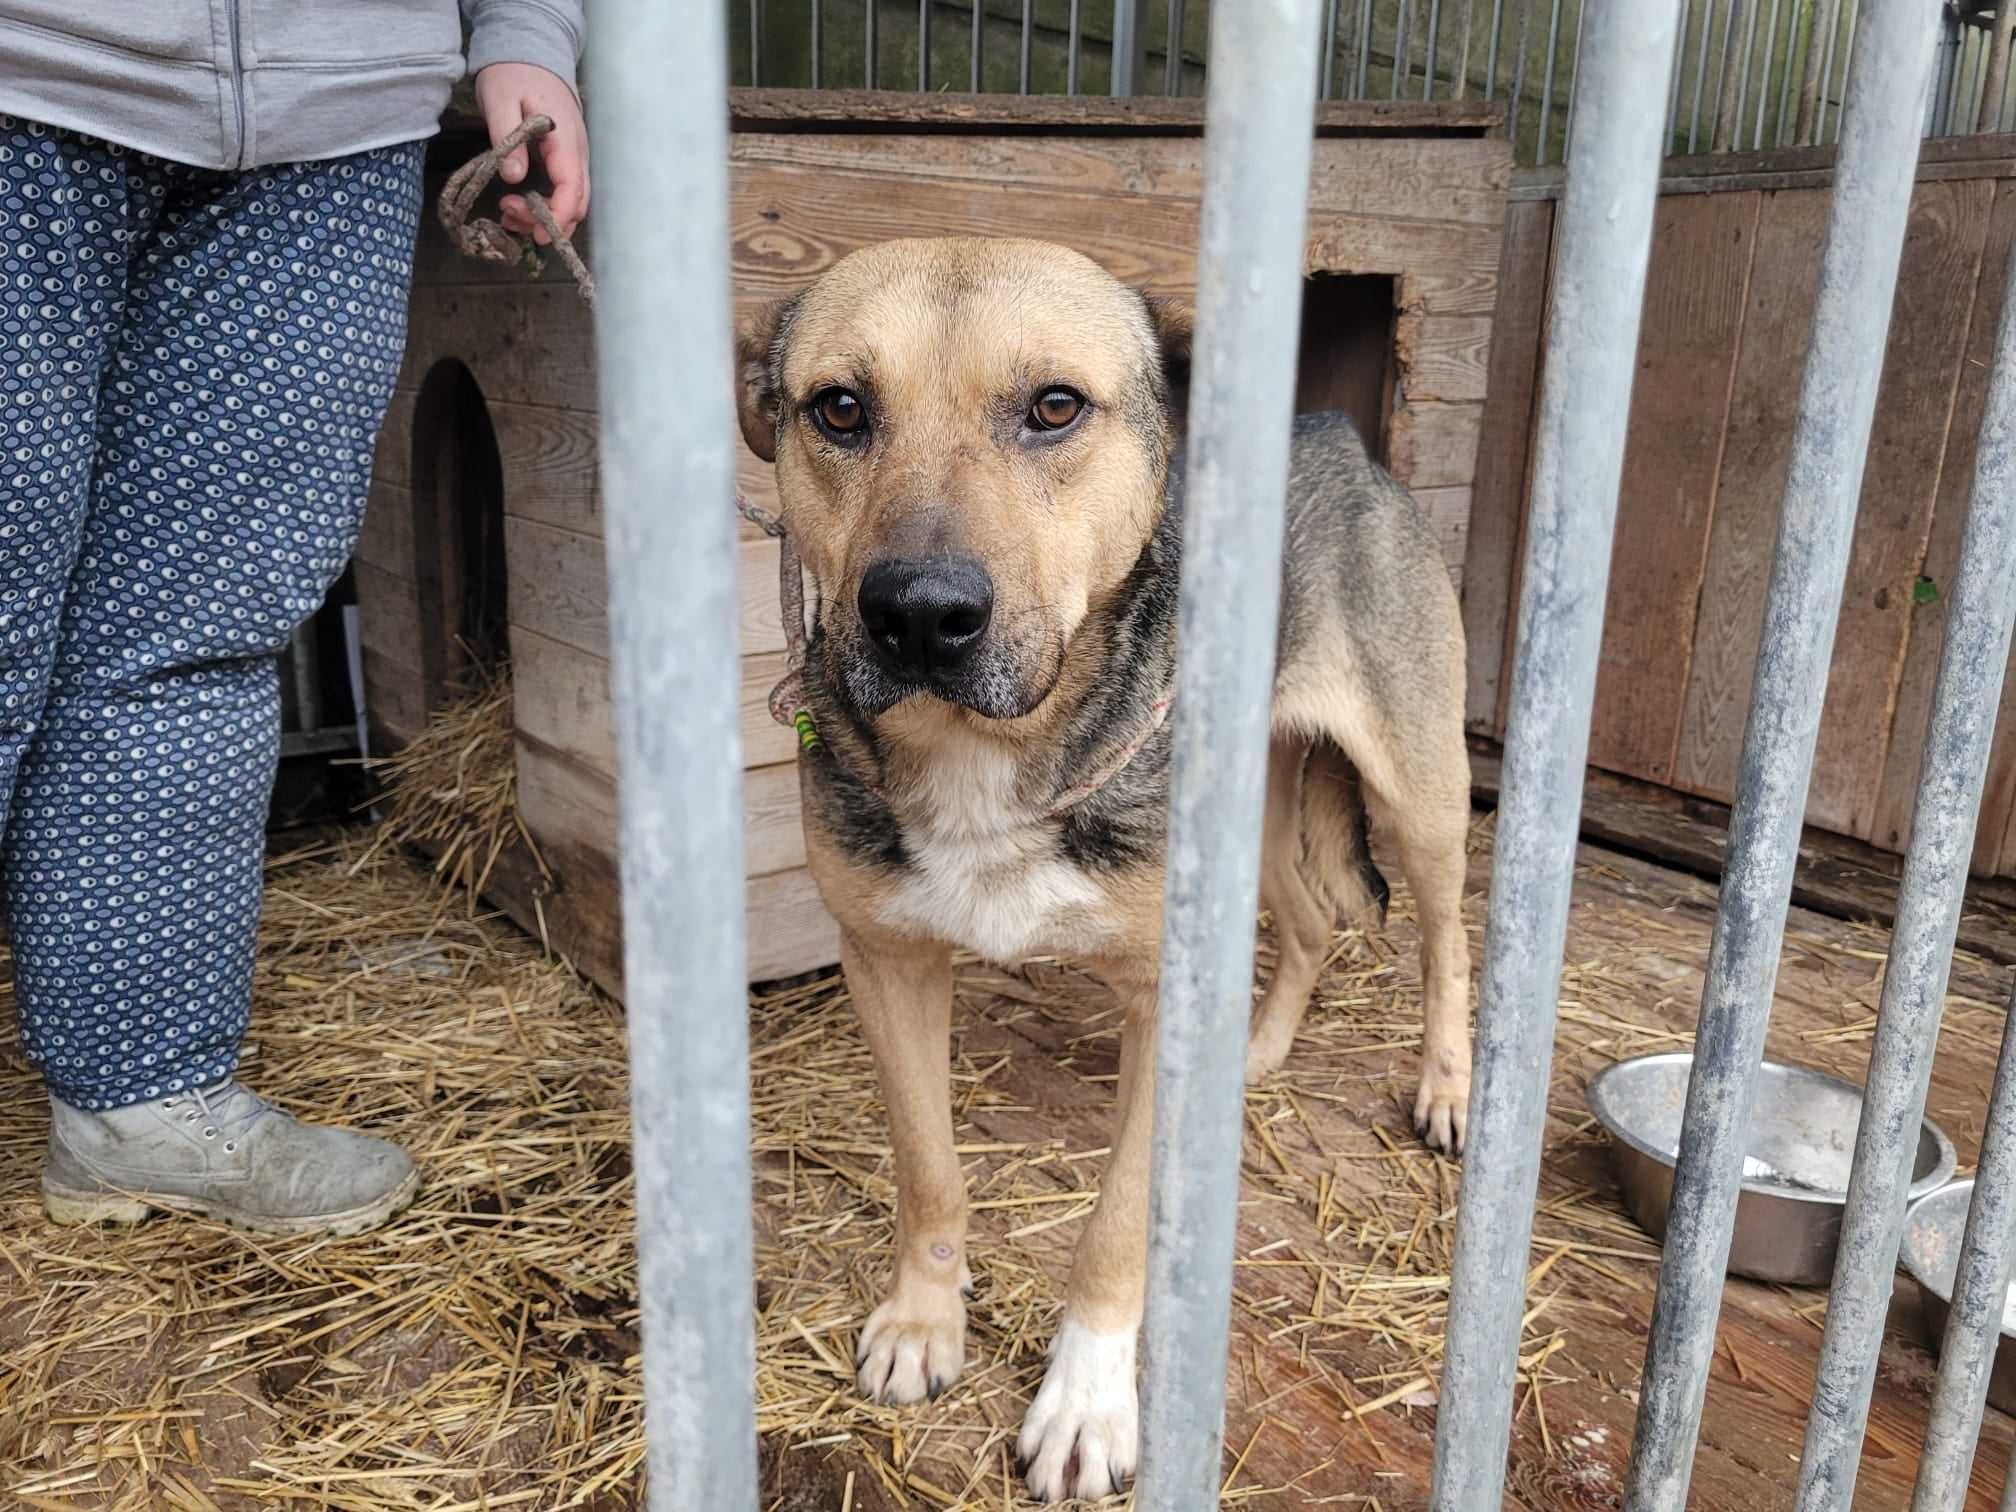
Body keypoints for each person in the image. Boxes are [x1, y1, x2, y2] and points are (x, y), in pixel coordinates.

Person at [0, 2, 589, 1238]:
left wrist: (525, 35)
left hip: (340, 111)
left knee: (199, 626)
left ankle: (140, 1104)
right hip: (31, 74)